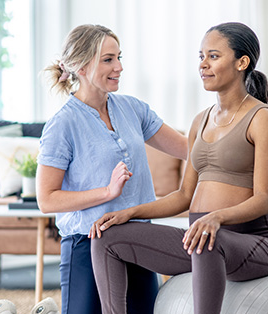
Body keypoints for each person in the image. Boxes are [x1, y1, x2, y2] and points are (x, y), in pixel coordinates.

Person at [89, 22, 268, 314]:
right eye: (200, 57)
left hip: (255, 242)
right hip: (203, 242)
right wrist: (130, 212)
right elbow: (184, 195)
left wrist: (215, 218)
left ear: (241, 62)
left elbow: (263, 199)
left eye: (213, 56)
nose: (203, 65)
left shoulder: (262, 118)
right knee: (108, 236)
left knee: (208, 239)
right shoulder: (201, 120)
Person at [36, 24, 187, 314]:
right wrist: (107, 192)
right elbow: (47, 199)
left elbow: (187, 149)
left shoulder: (133, 109)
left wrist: (233, 135)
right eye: (108, 59)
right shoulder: (62, 124)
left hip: (139, 240)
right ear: (80, 66)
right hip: (87, 244)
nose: (119, 67)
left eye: (119, 57)